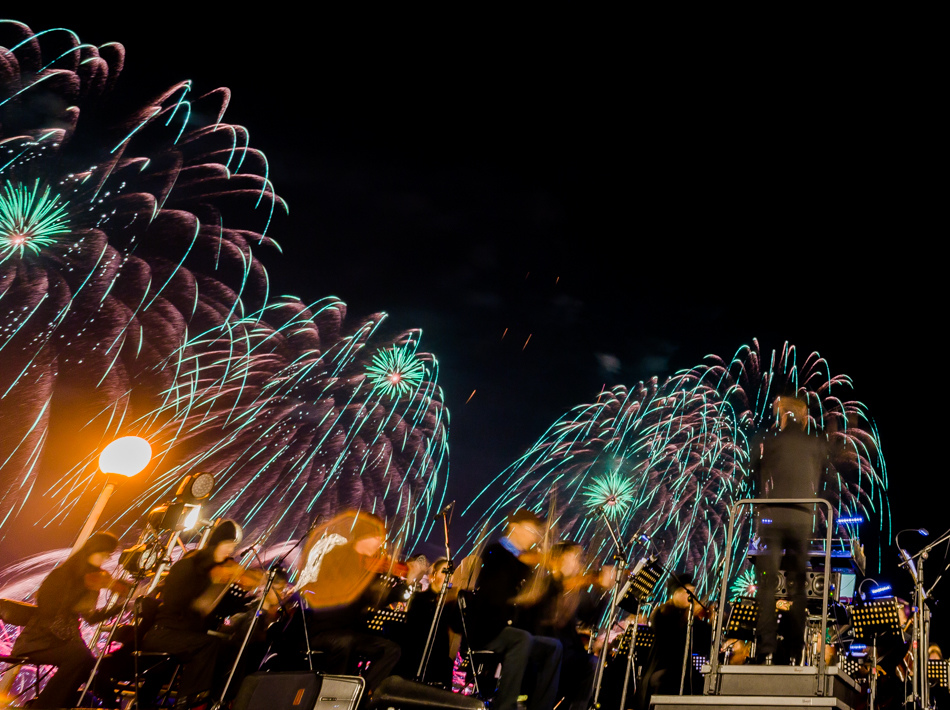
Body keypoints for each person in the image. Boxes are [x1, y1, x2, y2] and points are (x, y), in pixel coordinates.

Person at [751, 395, 829, 665]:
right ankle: (794, 649)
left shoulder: (773, 441)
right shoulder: (813, 443)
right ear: (805, 419)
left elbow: (756, 469)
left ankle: (766, 647)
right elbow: (823, 475)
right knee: (798, 589)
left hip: (772, 520)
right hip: (801, 519)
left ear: (784, 417)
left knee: (766, 584)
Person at [11, 531, 122, 709]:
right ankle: (45, 706)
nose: (105, 559)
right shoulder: (61, 575)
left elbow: (91, 618)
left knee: (91, 665)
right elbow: (48, 611)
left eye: (107, 556)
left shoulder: (91, 580)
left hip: (65, 642)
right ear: (92, 550)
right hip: (39, 641)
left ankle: (110, 703)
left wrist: (121, 606)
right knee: (81, 656)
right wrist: (84, 586)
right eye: (103, 554)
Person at [465, 508, 563, 710]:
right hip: (489, 630)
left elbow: (538, 599)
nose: (533, 536)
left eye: (535, 532)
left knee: (553, 647)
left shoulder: (524, 565)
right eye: (529, 529)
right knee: (522, 639)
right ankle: (505, 705)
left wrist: (554, 577)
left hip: (513, 631)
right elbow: (495, 596)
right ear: (513, 527)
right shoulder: (495, 553)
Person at [142, 519, 245, 708]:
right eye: (228, 544)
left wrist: (235, 589)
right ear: (216, 543)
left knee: (231, 647)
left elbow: (220, 610)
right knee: (209, 645)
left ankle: (221, 699)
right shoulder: (187, 567)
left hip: (188, 635)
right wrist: (215, 583)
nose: (231, 550)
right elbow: (184, 605)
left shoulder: (217, 573)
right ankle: (190, 702)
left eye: (233, 546)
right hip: (165, 632)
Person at [635, 574, 708, 710]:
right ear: (676, 593)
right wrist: (688, 617)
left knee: (699, 680)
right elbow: (669, 642)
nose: (692, 596)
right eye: (688, 592)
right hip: (661, 667)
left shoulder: (691, 617)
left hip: (682, 668)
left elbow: (702, 643)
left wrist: (710, 620)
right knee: (671, 677)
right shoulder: (662, 613)